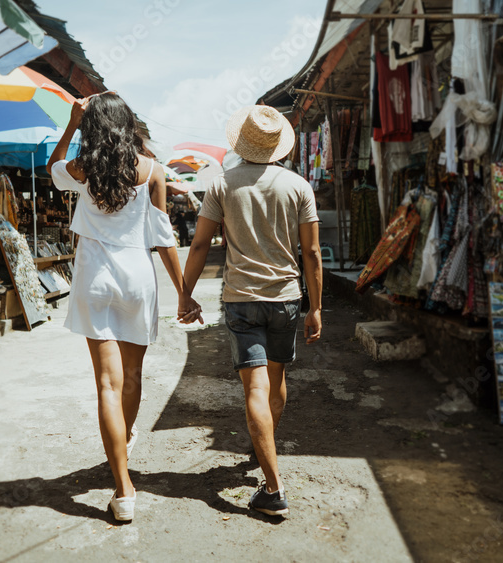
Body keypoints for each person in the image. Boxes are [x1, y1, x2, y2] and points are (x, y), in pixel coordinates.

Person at [49, 92, 188, 522]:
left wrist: (73, 123)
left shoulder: (81, 168)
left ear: (92, 128)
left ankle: (123, 490)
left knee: (106, 386)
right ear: (128, 125)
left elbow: (51, 171)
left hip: (94, 279)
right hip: (137, 280)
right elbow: (164, 237)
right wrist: (185, 292)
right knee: (131, 378)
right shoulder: (152, 171)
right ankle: (122, 443)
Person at [179, 105, 323, 517]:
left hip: (242, 300)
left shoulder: (222, 185)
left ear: (242, 143)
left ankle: (273, 489)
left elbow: (201, 245)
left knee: (255, 390)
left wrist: (185, 294)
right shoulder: (298, 186)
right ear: (279, 145)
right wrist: (316, 308)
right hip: (286, 299)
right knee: (275, 379)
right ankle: (265, 444)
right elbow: (311, 252)